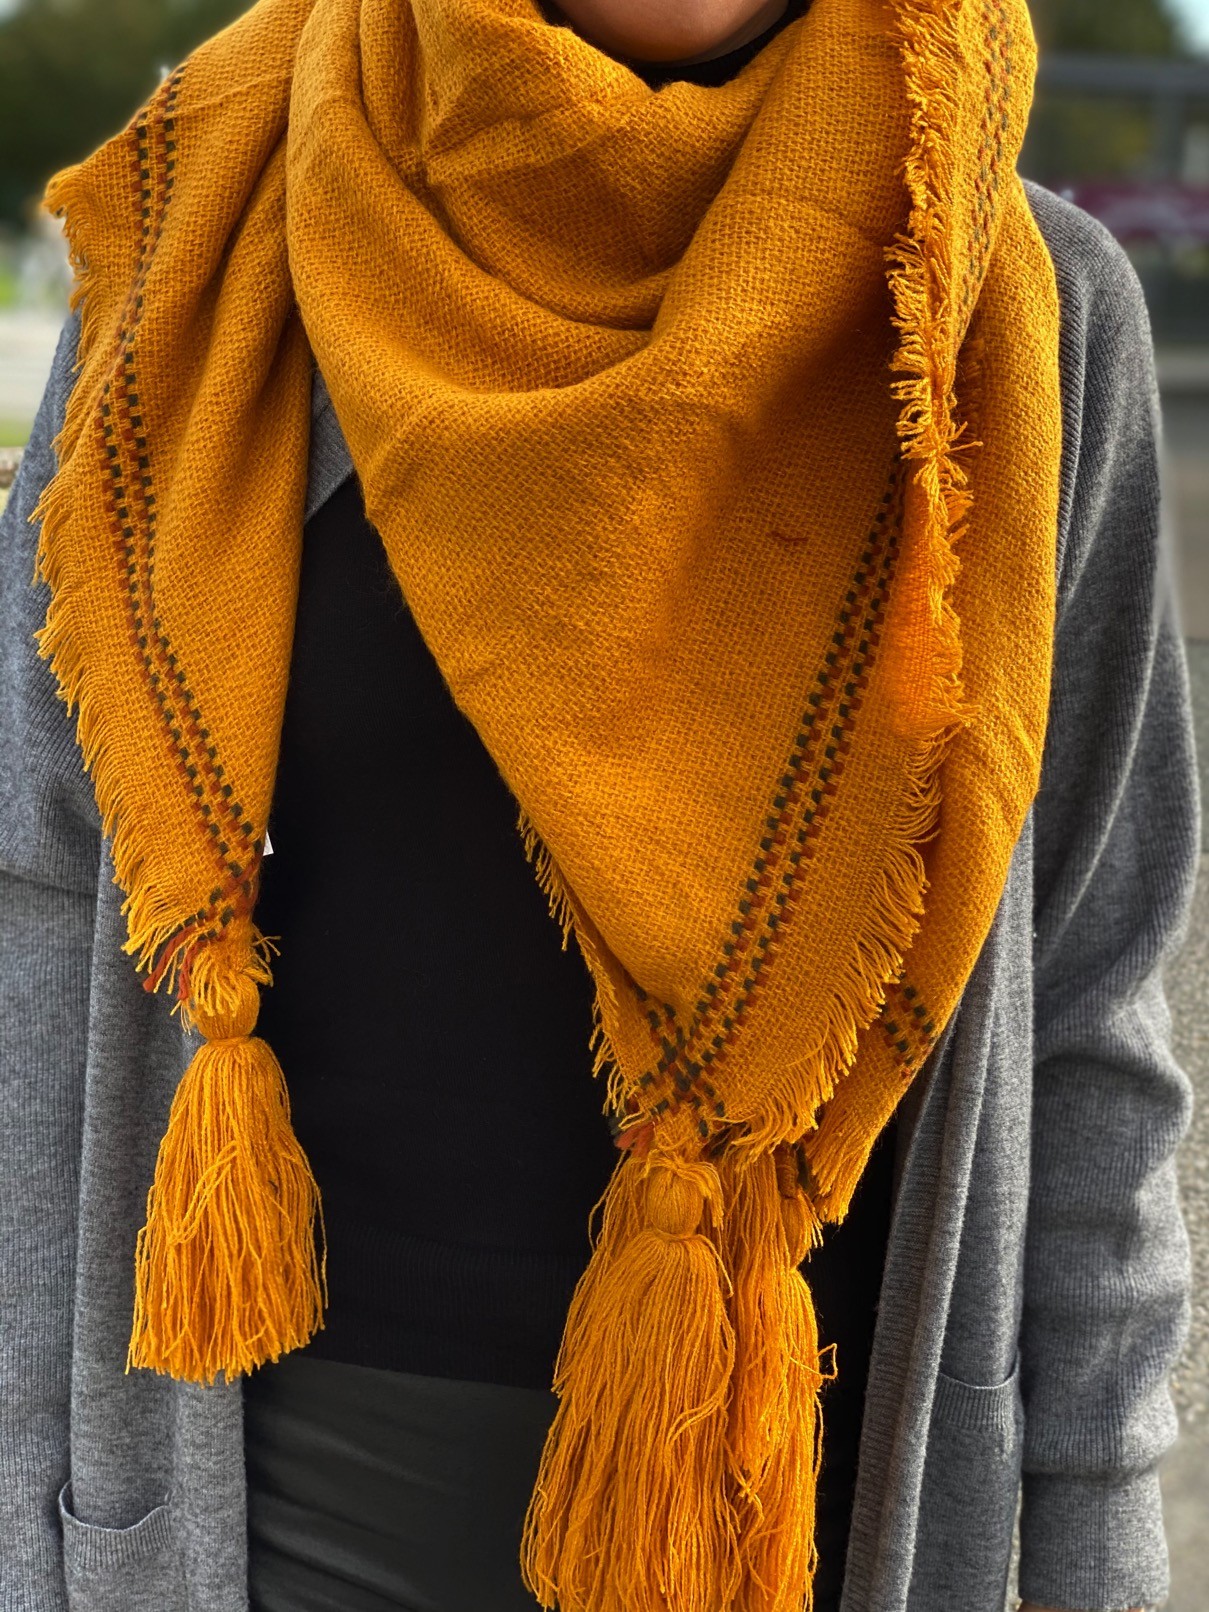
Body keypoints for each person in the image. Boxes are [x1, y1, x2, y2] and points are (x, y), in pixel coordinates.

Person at [0, 0, 1197, 1607]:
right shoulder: (211, 251)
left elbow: (1091, 1019)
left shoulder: (1019, 324)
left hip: (804, 1516)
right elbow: (38, 911)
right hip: (257, 1518)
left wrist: (1097, 1541)